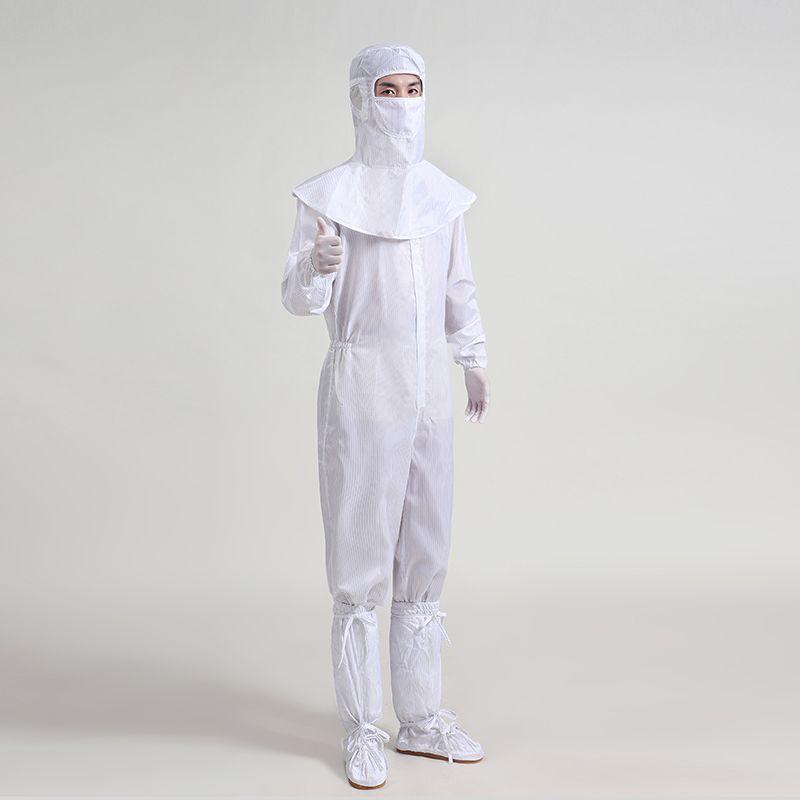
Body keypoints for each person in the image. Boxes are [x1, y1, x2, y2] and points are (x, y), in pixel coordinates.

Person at [281, 44, 490, 790]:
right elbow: (296, 298)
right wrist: (317, 269)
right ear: (360, 100)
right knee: (361, 553)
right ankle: (363, 728)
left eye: (412, 88)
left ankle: (422, 719)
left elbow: (458, 286)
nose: (401, 103)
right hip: (363, 379)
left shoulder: (441, 198)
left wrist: (472, 356)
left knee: (425, 544)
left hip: (429, 381)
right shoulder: (329, 197)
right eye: (387, 89)